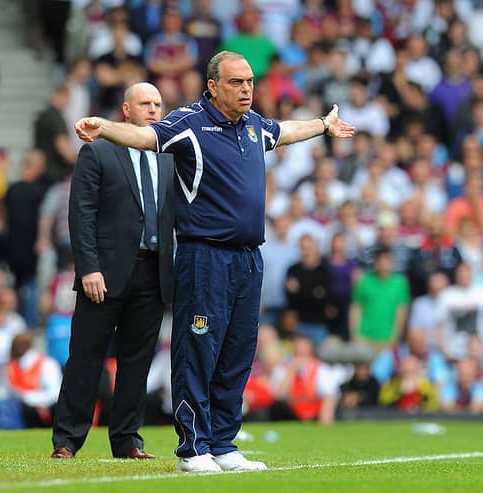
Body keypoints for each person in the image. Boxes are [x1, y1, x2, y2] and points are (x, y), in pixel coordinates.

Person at [74, 50, 354, 473]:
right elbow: (146, 139)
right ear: (213, 86)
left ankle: (223, 443)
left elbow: (287, 130)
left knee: (237, 352)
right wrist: (106, 128)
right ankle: (192, 448)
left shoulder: (255, 125)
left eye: (249, 82)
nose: (246, 89)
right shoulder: (189, 124)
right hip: (205, 256)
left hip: (249, 258)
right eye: (236, 82)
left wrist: (322, 125)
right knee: (197, 350)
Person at [50, 82, 175, 460]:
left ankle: (128, 441)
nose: (153, 110)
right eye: (145, 104)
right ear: (125, 109)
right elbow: (81, 213)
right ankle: (68, 440)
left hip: (154, 274)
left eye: (157, 104)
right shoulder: (98, 151)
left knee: (136, 363)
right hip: (103, 274)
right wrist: (88, 268)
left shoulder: (169, 155)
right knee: (85, 357)